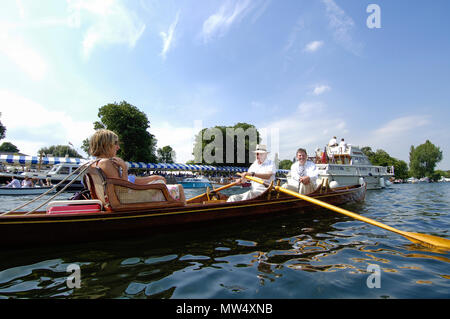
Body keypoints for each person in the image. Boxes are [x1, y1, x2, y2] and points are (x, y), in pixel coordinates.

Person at [89, 129, 166, 185]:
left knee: (159, 178)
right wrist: (124, 168)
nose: (118, 147)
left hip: (116, 197)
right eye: (115, 143)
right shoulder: (105, 163)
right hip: (125, 200)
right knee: (161, 181)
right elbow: (123, 190)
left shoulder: (94, 164)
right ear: (106, 145)